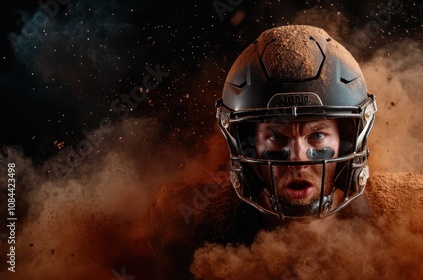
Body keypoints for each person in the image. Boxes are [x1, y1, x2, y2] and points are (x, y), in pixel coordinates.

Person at [134, 24, 377, 279]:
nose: (297, 157)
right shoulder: (181, 223)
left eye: (316, 135)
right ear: (246, 141)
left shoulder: (397, 217)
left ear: (348, 140)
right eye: (276, 136)